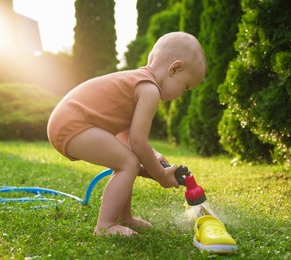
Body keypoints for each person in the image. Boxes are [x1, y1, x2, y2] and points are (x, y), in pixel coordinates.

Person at [47, 31, 206, 236]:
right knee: (128, 163)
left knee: (127, 161)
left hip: (65, 121)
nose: (180, 95)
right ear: (175, 68)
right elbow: (138, 141)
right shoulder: (150, 90)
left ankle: (125, 218)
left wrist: (154, 158)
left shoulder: (138, 81)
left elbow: (127, 135)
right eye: (185, 87)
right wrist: (160, 175)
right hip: (72, 124)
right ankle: (105, 225)